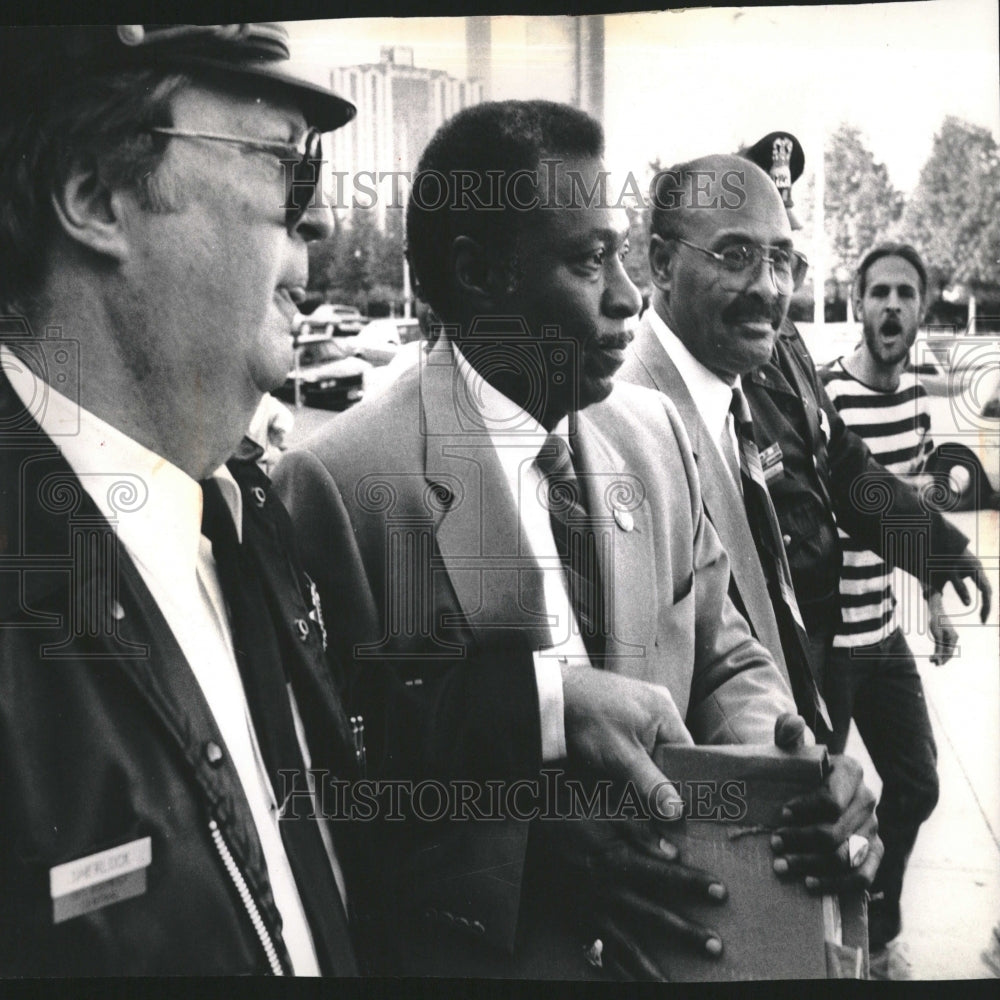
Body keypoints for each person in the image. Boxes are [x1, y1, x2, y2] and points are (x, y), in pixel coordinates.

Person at [275, 100, 880, 980]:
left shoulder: (655, 434)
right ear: (478, 274)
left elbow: (721, 657)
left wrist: (792, 772)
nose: (630, 297)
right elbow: (334, 802)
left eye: (621, 255)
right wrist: (523, 855)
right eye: (588, 259)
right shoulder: (341, 487)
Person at [0, 24, 367, 975]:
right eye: (286, 164)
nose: (317, 220)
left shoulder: (242, 513)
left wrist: (549, 712)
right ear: (95, 196)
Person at [619, 146, 991, 708]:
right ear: (663, 264)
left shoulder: (774, 346)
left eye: (783, 259)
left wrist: (933, 546)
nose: (770, 287)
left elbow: (841, 462)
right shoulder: (617, 419)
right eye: (736, 254)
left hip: (809, 647)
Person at [818, 243, 944, 975]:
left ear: (920, 308)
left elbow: (911, 510)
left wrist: (935, 602)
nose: (891, 306)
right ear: (858, 305)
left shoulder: (920, 401)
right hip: (833, 647)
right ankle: (831, 946)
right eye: (878, 293)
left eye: (904, 293)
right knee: (820, 809)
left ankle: (881, 920)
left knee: (918, 783)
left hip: (886, 638)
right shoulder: (830, 398)